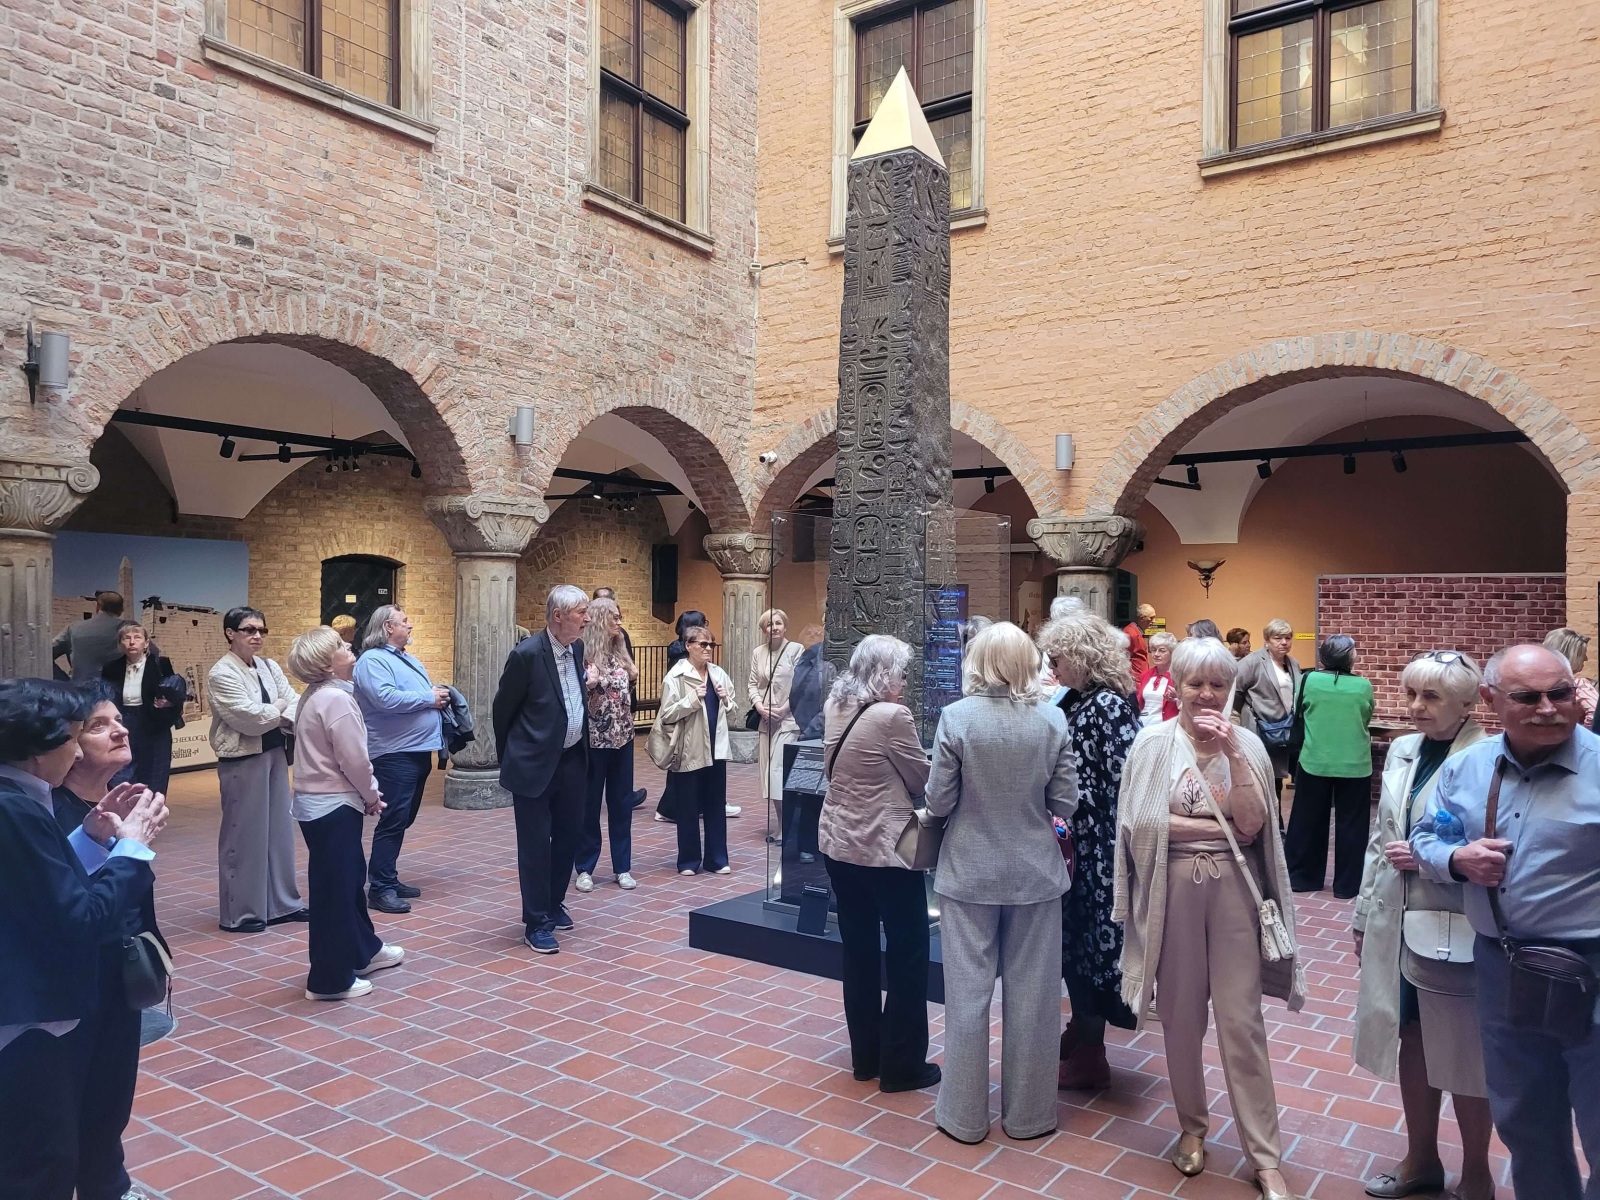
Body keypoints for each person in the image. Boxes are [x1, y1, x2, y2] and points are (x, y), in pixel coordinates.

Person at [1114, 637, 1304, 1200]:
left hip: (1234, 893)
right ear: (1176, 686)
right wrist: (1212, 829)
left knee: (1242, 1021)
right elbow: (1139, 824)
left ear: (1231, 688)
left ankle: (1264, 1156)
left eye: (1218, 684)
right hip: (1171, 891)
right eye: (1195, 683)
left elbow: (1254, 825)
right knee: (1180, 1017)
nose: (1206, 694)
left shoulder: (1248, 745)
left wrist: (1235, 757)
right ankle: (1192, 1129)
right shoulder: (1151, 744)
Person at [1412, 644, 1600, 1200]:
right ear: (1490, 699)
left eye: (1560, 693)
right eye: (1528, 697)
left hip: (1592, 967)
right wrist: (1456, 859)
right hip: (1504, 965)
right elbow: (1427, 836)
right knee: (1524, 1116)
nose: (1548, 708)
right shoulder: (1466, 768)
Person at [0, 677, 167, 1200]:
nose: (75, 752)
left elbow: (46, 884)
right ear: (38, 748)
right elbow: (79, 917)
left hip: (36, 1007)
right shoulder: (14, 808)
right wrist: (132, 848)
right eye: (74, 737)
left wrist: (92, 839)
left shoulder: (21, 800)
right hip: (29, 1015)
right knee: (42, 1161)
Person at [924, 622, 1079, 1145]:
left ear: (978, 662)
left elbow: (939, 801)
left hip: (968, 872)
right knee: (1035, 1000)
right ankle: (1029, 1115)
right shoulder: (1052, 719)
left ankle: (965, 1116)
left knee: (966, 998)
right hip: (1035, 874)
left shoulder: (956, 717)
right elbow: (1066, 803)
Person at [1350, 651, 1494, 1200]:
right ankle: (1421, 1159)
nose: (1415, 706)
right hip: (1398, 917)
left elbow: (1495, 847)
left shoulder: (1489, 759)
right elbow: (1380, 837)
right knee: (1410, 1037)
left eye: (1431, 697)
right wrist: (1363, 914)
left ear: (1468, 703)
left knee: (1465, 1050)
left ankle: (1477, 1171)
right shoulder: (1404, 749)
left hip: (1458, 924)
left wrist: (1435, 858)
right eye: (1410, 694)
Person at [50, 686, 169, 1200]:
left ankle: (108, 1184)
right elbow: (73, 901)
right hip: (79, 975)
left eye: (119, 719)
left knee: (111, 1089)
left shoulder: (115, 797)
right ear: (67, 744)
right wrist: (127, 847)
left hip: (115, 969)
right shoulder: (47, 810)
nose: (120, 730)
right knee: (76, 1093)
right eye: (99, 726)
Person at [818, 635, 938, 1093]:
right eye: (902, 673)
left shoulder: (836, 704)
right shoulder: (892, 716)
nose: (905, 681)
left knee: (859, 951)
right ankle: (902, 1064)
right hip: (886, 850)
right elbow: (919, 779)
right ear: (884, 674)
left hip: (839, 843)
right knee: (908, 951)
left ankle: (865, 1057)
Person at [1037, 612, 1139, 1091]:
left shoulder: (1107, 705)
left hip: (1099, 845)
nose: (1052, 666)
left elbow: (1123, 780)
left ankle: (1091, 1053)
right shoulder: (1079, 698)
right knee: (1076, 944)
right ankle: (1081, 1031)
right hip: (1079, 841)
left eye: (1058, 657)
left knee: (1093, 948)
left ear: (1080, 657)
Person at [286, 626, 405, 1002]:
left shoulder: (317, 694)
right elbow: (354, 758)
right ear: (326, 662)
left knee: (348, 880)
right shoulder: (336, 699)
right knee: (335, 892)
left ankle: (363, 950)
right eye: (339, 645)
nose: (348, 645)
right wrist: (371, 794)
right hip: (332, 804)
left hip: (319, 804)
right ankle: (329, 980)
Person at [493, 586, 591, 955]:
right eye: (581, 612)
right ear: (558, 616)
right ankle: (535, 922)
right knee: (535, 845)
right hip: (534, 764)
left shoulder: (576, 649)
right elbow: (503, 710)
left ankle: (553, 902)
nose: (587, 618)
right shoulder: (527, 654)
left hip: (572, 759)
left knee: (568, 836)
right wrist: (513, 757)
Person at [208, 606, 304, 934]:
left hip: (274, 753)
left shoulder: (269, 666)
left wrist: (275, 710)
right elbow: (249, 720)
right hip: (242, 759)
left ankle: (282, 905)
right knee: (244, 836)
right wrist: (277, 708)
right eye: (249, 630)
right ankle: (241, 913)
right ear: (230, 633)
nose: (257, 636)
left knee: (279, 833)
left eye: (261, 630)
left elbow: (295, 701)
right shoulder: (222, 673)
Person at [353, 606, 447, 915]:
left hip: (416, 750)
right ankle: (381, 888)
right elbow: (385, 699)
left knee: (403, 818)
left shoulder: (406, 659)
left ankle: (388, 876)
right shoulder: (372, 661)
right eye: (404, 621)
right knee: (393, 819)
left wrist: (437, 694)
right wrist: (429, 698)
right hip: (394, 753)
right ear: (388, 627)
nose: (411, 626)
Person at [1285, 634, 1374, 898]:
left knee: (1307, 821)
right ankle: (1347, 885)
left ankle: (1302, 878)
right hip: (1355, 763)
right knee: (1352, 826)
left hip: (1314, 760)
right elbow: (1367, 716)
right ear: (1349, 657)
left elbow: (1298, 709)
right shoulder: (1363, 686)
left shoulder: (1308, 679)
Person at [575, 597, 640, 893]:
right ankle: (585, 867)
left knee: (621, 804)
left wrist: (633, 676)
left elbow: (625, 691)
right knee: (589, 805)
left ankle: (622, 867)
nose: (619, 622)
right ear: (601, 618)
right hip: (594, 740)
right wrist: (588, 683)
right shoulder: (583, 654)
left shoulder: (621, 650)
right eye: (615, 617)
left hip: (623, 738)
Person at [659, 625, 735, 875]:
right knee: (688, 806)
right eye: (703, 644)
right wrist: (692, 699)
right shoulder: (676, 676)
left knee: (716, 804)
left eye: (711, 644)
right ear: (688, 646)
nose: (708, 649)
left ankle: (717, 859)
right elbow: (667, 714)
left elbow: (733, 708)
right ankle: (688, 861)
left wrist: (726, 698)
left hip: (716, 748)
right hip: (689, 748)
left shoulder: (718, 673)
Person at [101, 622, 182, 796]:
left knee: (154, 777)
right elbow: (105, 696)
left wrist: (167, 702)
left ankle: (151, 810)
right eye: (126, 638)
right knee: (120, 774)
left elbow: (173, 693)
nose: (132, 642)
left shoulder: (160, 664)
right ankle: (124, 808)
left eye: (137, 638)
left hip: (153, 724)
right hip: (122, 722)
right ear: (120, 644)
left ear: (146, 643)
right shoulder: (111, 668)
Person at [1234, 619, 1302, 805]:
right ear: (1267, 640)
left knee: (1281, 777)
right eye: (1278, 638)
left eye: (1288, 638)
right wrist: (1247, 713)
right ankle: (1270, 819)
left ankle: (1279, 819)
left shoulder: (1293, 663)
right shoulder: (1252, 662)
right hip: (1261, 727)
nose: (1284, 642)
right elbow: (1236, 691)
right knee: (1266, 778)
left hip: (1286, 728)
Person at [750, 608, 802, 819]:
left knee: (777, 771)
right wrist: (759, 706)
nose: (774, 628)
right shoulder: (758, 652)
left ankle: (788, 825)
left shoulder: (796, 649)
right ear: (764, 630)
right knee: (769, 777)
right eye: (769, 624)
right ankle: (782, 824)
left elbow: (800, 685)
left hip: (788, 720)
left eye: (778, 623)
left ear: (785, 626)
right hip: (766, 721)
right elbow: (753, 684)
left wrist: (784, 709)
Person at [52, 592, 129, 683]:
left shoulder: (73, 628)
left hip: (80, 688)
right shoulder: (131, 629)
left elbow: (45, 655)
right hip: (119, 689)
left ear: (98, 606)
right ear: (121, 609)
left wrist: (65, 681)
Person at [1543, 627, 1597, 724]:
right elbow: (1596, 713)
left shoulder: (1535, 685)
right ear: (1572, 656)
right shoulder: (1579, 685)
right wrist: (1582, 732)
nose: (1586, 659)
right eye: (1582, 654)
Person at [788, 624, 830, 742]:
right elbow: (795, 693)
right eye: (808, 633)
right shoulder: (805, 658)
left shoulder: (826, 661)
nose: (812, 636)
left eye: (817, 634)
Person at [1135, 631, 1178, 728]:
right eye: (1154, 650)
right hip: (1142, 726)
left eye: (1162, 651)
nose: (1156, 654)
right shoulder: (1145, 675)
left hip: (1166, 727)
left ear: (1172, 653)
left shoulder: (1178, 677)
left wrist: (1178, 696)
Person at [1124, 603, 1156, 676]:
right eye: (1151, 618)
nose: (1154, 621)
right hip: (1135, 678)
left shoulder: (1136, 632)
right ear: (1142, 618)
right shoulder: (1130, 633)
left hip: (1140, 677)